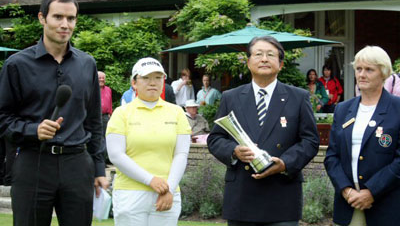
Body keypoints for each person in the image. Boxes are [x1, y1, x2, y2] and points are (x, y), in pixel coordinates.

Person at [0, 0, 108, 226]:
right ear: (42, 18)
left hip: (77, 164)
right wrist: (32, 130)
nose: (65, 25)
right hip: (32, 163)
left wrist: (99, 167)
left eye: (71, 19)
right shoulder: (16, 65)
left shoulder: (87, 64)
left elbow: (93, 121)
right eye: (58, 17)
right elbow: (2, 118)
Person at [207, 36, 319, 225]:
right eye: (258, 54)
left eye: (270, 55)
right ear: (249, 62)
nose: (264, 59)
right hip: (242, 197)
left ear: (281, 64)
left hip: (282, 196)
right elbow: (215, 139)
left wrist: (284, 163)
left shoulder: (298, 97)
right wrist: (234, 151)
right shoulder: (231, 97)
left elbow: (310, 141)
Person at [106, 57, 192, 226]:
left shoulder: (177, 112)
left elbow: (181, 154)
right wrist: (150, 180)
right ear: (134, 83)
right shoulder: (121, 113)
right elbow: (116, 155)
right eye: (146, 78)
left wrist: (170, 188)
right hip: (130, 193)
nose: (152, 82)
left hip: (166, 193)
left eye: (158, 78)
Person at [324, 46, 400, 226]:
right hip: (348, 205)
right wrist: (346, 190)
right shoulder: (343, 109)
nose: (362, 74)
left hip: (386, 205)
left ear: (383, 73)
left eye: (369, 69)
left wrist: (371, 191)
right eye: (358, 69)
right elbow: (332, 156)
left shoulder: (397, 108)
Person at [98, 71, 112, 159]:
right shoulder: (92, 89)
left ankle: (105, 159)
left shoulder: (108, 89)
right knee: (98, 138)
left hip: (105, 117)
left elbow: (110, 102)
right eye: (100, 78)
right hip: (95, 117)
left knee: (106, 137)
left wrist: (110, 114)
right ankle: (98, 158)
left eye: (103, 78)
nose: (102, 79)